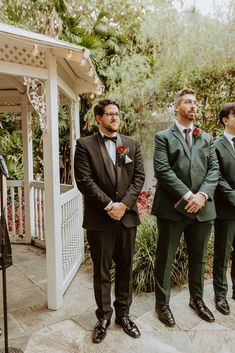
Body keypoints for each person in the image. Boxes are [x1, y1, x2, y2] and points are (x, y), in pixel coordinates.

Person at [74, 99, 145, 343]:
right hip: (100, 219)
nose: (115, 117)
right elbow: (84, 181)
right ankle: (103, 316)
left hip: (127, 218)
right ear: (98, 119)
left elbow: (139, 177)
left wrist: (123, 205)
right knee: (102, 271)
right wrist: (108, 206)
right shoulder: (84, 145)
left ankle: (123, 315)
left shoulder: (131, 144)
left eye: (117, 113)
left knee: (125, 269)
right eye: (110, 114)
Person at [151, 88, 219, 326]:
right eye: (188, 102)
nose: (193, 106)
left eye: (195, 102)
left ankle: (197, 300)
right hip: (172, 209)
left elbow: (214, 170)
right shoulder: (163, 137)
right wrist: (188, 195)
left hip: (203, 209)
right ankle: (162, 304)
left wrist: (201, 195)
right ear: (176, 107)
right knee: (165, 257)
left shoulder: (207, 138)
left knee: (198, 258)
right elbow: (162, 170)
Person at [213, 102, 235, 315]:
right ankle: (220, 294)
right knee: (222, 253)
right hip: (226, 210)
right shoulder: (216, 145)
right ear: (225, 120)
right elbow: (217, 178)